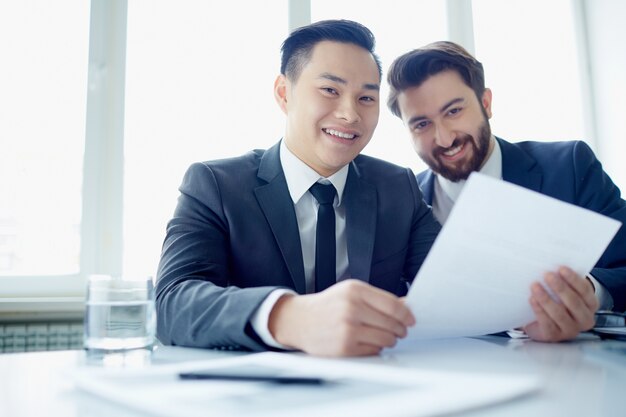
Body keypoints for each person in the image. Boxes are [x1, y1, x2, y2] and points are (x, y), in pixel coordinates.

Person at [155, 20, 441, 357]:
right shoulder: (215, 185)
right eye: (330, 90)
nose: (350, 114)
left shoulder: (397, 187)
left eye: (366, 97)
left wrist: (516, 313)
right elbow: (172, 303)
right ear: (284, 93)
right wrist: (287, 316)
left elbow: (455, 287)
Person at [386, 41, 626, 342]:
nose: (444, 138)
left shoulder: (570, 167)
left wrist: (591, 294)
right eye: (421, 124)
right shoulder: (401, 203)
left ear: (486, 103)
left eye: (454, 111)